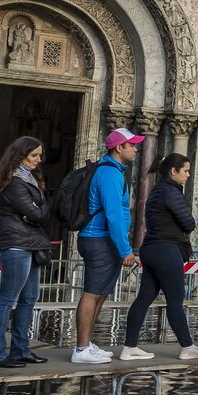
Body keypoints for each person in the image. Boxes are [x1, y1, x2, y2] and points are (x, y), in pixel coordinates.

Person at [69, 128, 141, 364]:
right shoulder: (111, 174)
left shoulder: (114, 172)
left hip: (102, 240)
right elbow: (113, 215)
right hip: (98, 239)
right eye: (131, 145)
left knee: (100, 293)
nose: (135, 148)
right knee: (92, 292)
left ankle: (87, 344)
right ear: (119, 147)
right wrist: (125, 250)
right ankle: (80, 349)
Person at [122, 153, 198, 361]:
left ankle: (129, 347)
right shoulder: (171, 192)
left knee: (144, 298)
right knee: (175, 300)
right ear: (173, 171)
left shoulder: (157, 191)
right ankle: (187, 347)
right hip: (167, 250)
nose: (189, 175)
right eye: (186, 170)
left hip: (151, 249)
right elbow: (189, 223)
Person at [0, 136, 52, 368]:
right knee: (7, 299)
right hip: (15, 244)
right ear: (20, 155)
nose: (38, 160)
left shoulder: (27, 178)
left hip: (29, 243)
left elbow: (37, 211)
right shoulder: (14, 182)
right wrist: (38, 207)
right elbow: (39, 215)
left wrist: (37, 207)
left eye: (39, 155)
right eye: (33, 155)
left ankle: (20, 350)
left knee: (29, 298)